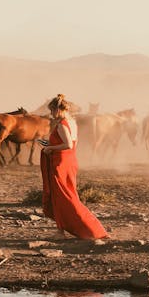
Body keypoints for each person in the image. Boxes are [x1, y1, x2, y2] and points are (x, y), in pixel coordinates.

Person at [40, 94, 109, 239]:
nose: (51, 114)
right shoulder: (72, 123)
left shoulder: (61, 125)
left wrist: (50, 149)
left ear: (58, 109)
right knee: (69, 195)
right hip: (70, 161)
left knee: (62, 196)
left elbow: (67, 145)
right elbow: (70, 143)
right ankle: (82, 227)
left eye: (52, 111)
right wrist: (47, 144)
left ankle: (64, 231)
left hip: (60, 163)